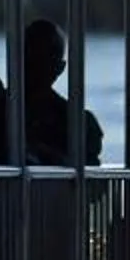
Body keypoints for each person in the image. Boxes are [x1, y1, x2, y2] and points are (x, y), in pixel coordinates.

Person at [20, 17, 103, 166]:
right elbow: (92, 181)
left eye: (41, 61)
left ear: (60, 67)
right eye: (30, 58)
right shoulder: (80, 122)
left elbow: (91, 181)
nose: (33, 68)